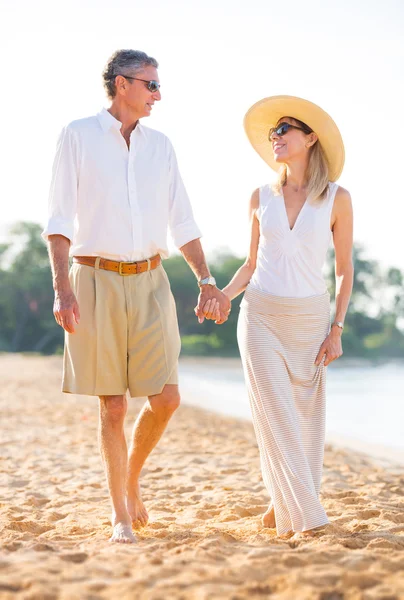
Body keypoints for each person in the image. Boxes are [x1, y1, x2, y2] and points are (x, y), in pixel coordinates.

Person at [42, 49, 230, 544]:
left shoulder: (160, 146)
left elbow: (182, 220)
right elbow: (59, 221)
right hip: (94, 279)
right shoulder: (77, 135)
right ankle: (120, 514)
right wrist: (62, 289)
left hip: (151, 280)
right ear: (121, 84)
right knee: (113, 407)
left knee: (166, 398)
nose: (157, 95)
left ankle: (130, 478)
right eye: (151, 85)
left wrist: (207, 280)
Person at [204, 96, 353, 540]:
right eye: (274, 132)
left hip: (309, 320)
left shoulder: (336, 198)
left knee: (305, 420)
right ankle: (309, 517)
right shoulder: (259, 197)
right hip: (261, 316)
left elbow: (344, 270)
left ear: (310, 138)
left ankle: (279, 504)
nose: (277, 136)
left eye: (285, 129)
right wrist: (223, 296)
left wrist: (337, 328)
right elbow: (250, 265)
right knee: (276, 415)